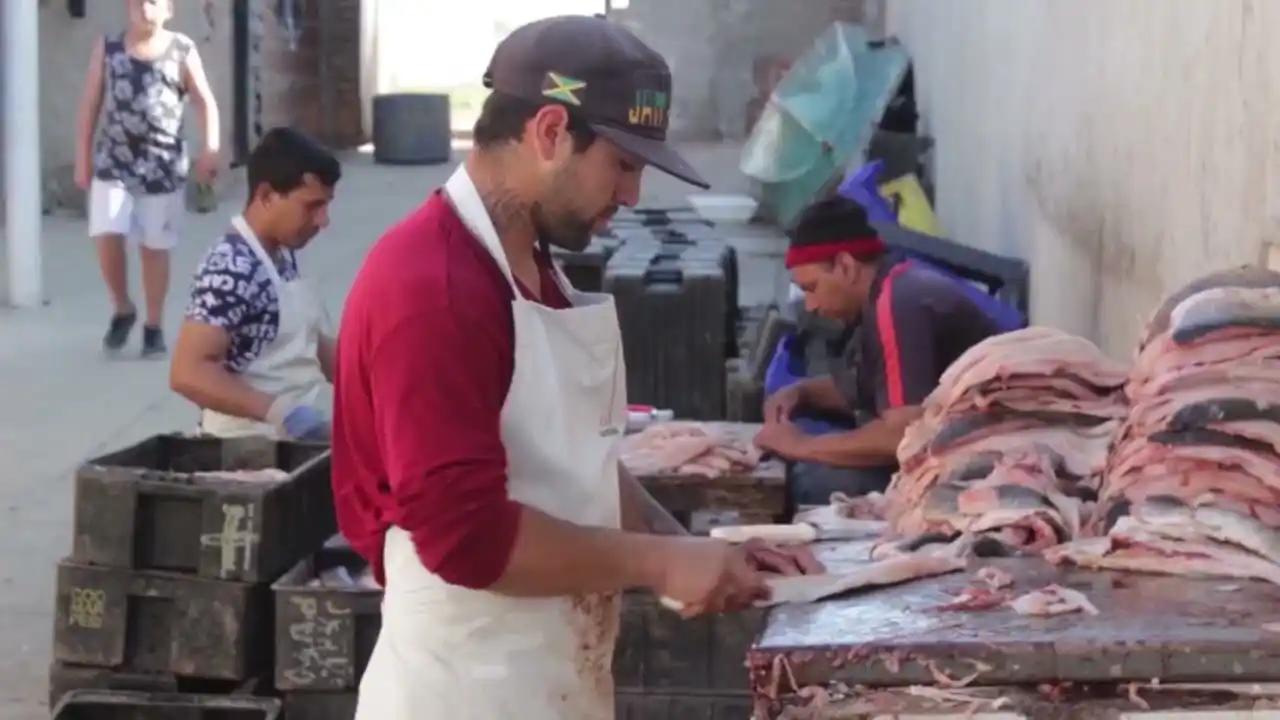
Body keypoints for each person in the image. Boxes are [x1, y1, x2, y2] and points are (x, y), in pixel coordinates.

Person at [330, 15, 821, 720]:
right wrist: (658, 564)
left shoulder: (532, 265)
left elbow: (571, 461)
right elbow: (465, 540)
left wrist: (689, 549)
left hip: (546, 678)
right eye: (622, 166)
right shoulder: (433, 290)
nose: (632, 195)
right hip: (464, 690)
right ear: (551, 131)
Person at [755, 195, 1002, 505]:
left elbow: (900, 435)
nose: (811, 305)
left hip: (984, 459)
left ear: (846, 266)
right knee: (806, 431)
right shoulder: (889, 283)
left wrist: (802, 445)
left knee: (813, 481)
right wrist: (801, 392)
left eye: (811, 288)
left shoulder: (897, 306)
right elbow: (870, 389)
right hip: (946, 436)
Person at [168, 127, 340, 440]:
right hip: (244, 450)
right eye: (312, 206)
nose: (323, 220)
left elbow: (311, 344)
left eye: (326, 206)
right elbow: (188, 372)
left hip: (294, 443)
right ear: (266, 196)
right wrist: (281, 412)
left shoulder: (282, 253)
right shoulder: (230, 268)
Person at [74, 0, 221, 358]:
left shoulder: (181, 49)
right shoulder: (108, 48)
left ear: (169, 10)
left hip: (162, 164)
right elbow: (90, 104)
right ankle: (122, 307)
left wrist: (211, 149)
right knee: (106, 231)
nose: (143, 7)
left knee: (154, 246)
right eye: (137, 1)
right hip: (114, 160)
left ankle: (153, 325)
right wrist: (83, 158)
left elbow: (205, 102)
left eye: (153, 2)